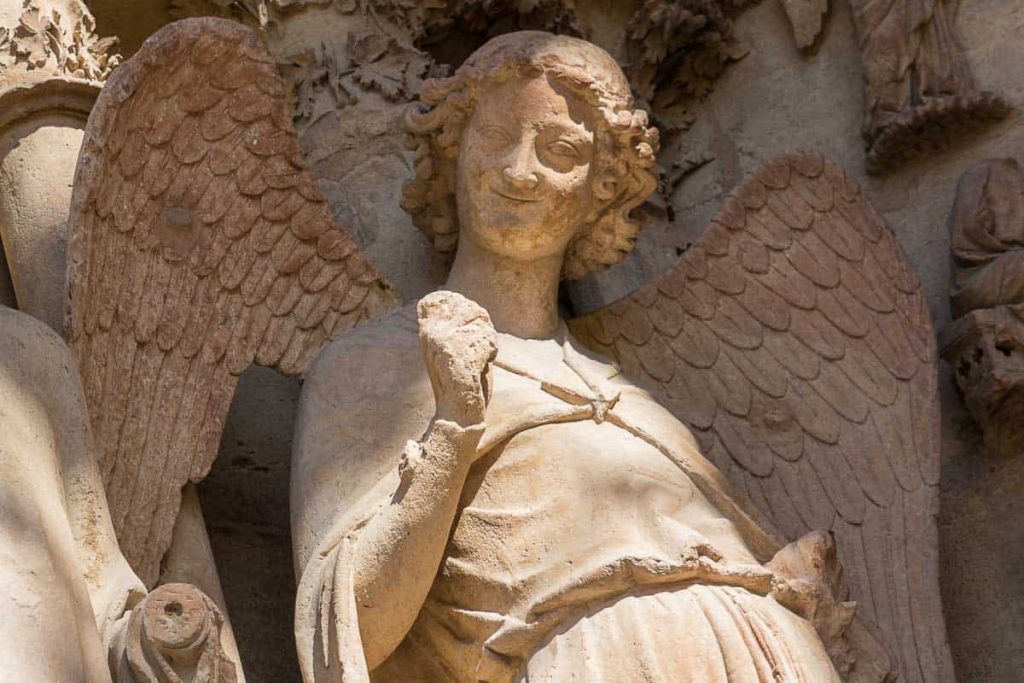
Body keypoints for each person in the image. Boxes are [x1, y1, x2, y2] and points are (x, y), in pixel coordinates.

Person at [291, 31, 840, 683]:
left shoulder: (642, 395)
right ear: (450, 151)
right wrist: (454, 426)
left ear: (600, 192)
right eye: (495, 136)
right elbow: (348, 628)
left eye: (560, 151)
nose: (519, 171)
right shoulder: (376, 365)